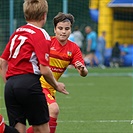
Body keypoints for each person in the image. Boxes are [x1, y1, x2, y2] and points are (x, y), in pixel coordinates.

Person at [0, 1, 68, 133]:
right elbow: (44, 69)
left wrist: (10, 84)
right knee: (42, 130)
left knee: (19, 130)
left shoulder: (17, 32)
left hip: (10, 86)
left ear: (26, 15)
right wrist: (56, 85)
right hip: (29, 84)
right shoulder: (41, 34)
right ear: (44, 15)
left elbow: (3, 61)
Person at [27, 12, 88, 133]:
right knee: (54, 109)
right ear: (55, 29)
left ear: (70, 30)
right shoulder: (47, 43)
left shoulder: (74, 48)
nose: (63, 32)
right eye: (60, 28)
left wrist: (82, 69)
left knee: (41, 125)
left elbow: (84, 73)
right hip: (37, 85)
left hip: (51, 88)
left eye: (67, 29)